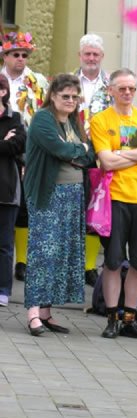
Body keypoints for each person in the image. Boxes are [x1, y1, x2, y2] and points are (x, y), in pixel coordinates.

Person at [90, 68, 137, 341]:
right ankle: (111, 318)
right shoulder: (101, 120)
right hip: (115, 197)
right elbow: (105, 161)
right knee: (113, 260)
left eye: (131, 88)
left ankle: (129, 318)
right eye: (122, 89)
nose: (128, 93)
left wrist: (121, 154)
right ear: (111, 90)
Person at [23, 74, 95, 336]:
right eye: (65, 96)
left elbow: (90, 156)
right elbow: (59, 150)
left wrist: (78, 152)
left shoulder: (74, 122)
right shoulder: (43, 119)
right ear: (52, 95)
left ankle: (46, 312)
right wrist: (78, 151)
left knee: (62, 253)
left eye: (75, 97)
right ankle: (32, 313)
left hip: (73, 194)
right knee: (43, 253)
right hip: (48, 193)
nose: (71, 101)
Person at [0, 30, 48, 283]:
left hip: (28, 148)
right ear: (5, 55)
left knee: (26, 208)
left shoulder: (37, 81)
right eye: (15, 54)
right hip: (2, 147)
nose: (21, 58)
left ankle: (22, 262)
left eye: (25, 55)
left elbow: (43, 115)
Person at [74, 33, 112, 288]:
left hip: (100, 153)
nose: (91, 58)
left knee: (94, 209)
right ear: (80, 56)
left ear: (102, 57)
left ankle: (89, 266)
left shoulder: (112, 84)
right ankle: (72, 264)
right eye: (87, 53)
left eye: (95, 54)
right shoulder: (67, 82)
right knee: (73, 206)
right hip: (73, 151)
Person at [0, 74, 26, 307]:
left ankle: (3, 291)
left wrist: (9, 143)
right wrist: (3, 142)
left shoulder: (15, 118)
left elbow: (19, 145)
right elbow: (8, 146)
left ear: (2, 92)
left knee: (5, 245)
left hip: (6, 191)